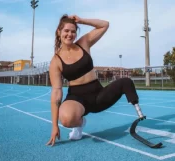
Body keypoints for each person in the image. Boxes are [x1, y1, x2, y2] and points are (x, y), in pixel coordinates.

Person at [46, 14, 144, 146]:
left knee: (126, 81)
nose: (70, 34)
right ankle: (80, 123)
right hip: (77, 98)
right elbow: (56, 94)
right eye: (66, 31)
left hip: (98, 94)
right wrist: (54, 127)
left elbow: (104, 25)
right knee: (66, 119)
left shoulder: (84, 43)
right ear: (59, 32)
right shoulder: (56, 61)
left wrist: (82, 20)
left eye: (73, 31)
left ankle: (139, 113)